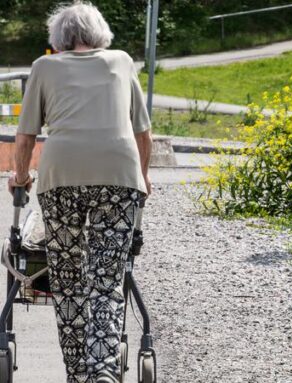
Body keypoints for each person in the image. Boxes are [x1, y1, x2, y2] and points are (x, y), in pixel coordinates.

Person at [7, 2, 153, 383]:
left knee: (68, 281)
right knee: (106, 278)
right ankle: (102, 370)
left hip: (62, 177)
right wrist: (145, 179)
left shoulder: (44, 67)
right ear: (99, 33)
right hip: (119, 177)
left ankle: (77, 374)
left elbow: (25, 137)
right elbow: (143, 135)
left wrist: (20, 176)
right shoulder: (122, 61)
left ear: (60, 39)